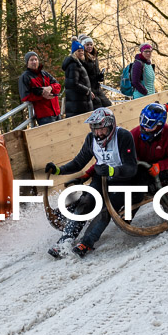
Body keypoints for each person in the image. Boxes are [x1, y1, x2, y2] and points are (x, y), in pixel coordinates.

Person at [45, 108, 138, 258]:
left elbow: (132, 168)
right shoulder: (91, 139)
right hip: (101, 179)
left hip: (124, 181)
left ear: (110, 126)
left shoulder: (123, 136)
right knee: (86, 201)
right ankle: (65, 240)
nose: (98, 134)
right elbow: (78, 162)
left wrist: (113, 171)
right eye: (95, 130)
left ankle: (87, 242)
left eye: (102, 129)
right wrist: (57, 170)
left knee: (106, 209)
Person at [130, 102, 168, 185]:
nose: (145, 129)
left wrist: (159, 166)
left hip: (160, 169)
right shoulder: (133, 134)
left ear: (159, 124)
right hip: (141, 168)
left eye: (150, 125)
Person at [18, 51, 62, 125]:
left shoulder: (44, 73)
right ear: (27, 63)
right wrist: (43, 95)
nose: (34, 62)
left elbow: (58, 86)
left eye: (36, 59)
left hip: (56, 111)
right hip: (44, 114)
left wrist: (50, 88)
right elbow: (25, 96)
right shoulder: (25, 77)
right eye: (31, 60)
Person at [62, 37, 94, 118]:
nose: (81, 52)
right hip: (78, 103)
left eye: (82, 50)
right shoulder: (73, 65)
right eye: (78, 51)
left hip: (81, 101)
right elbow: (74, 83)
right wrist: (87, 91)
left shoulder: (79, 63)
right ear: (74, 52)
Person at [78, 34, 111, 109]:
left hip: (97, 87)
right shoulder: (82, 59)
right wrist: (87, 90)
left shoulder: (94, 57)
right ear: (83, 46)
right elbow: (81, 77)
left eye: (91, 44)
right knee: (97, 106)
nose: (89, 46)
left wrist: (100, 76)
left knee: (108, 104)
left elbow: (95, 73)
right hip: (89, 88)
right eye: (87, 45)